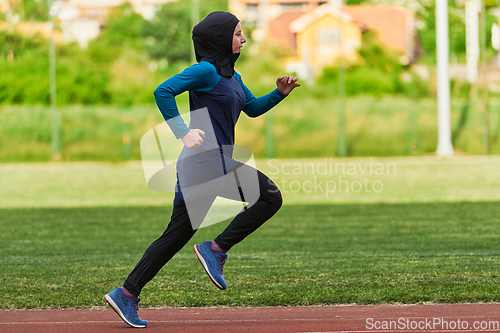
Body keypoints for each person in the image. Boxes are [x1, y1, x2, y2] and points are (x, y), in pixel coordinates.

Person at [105, 11, 300, 328]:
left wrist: (279, 93)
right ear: (221, 38)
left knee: (175, 236)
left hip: (204, 165)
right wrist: (182, 131)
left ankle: (126, 294)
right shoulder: (206, 71)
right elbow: (163, 91)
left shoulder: (232, 77)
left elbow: (251, 108)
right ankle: (216, 249)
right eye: (238, 33)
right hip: (206, 161)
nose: (244, 38)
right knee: (270, 197)